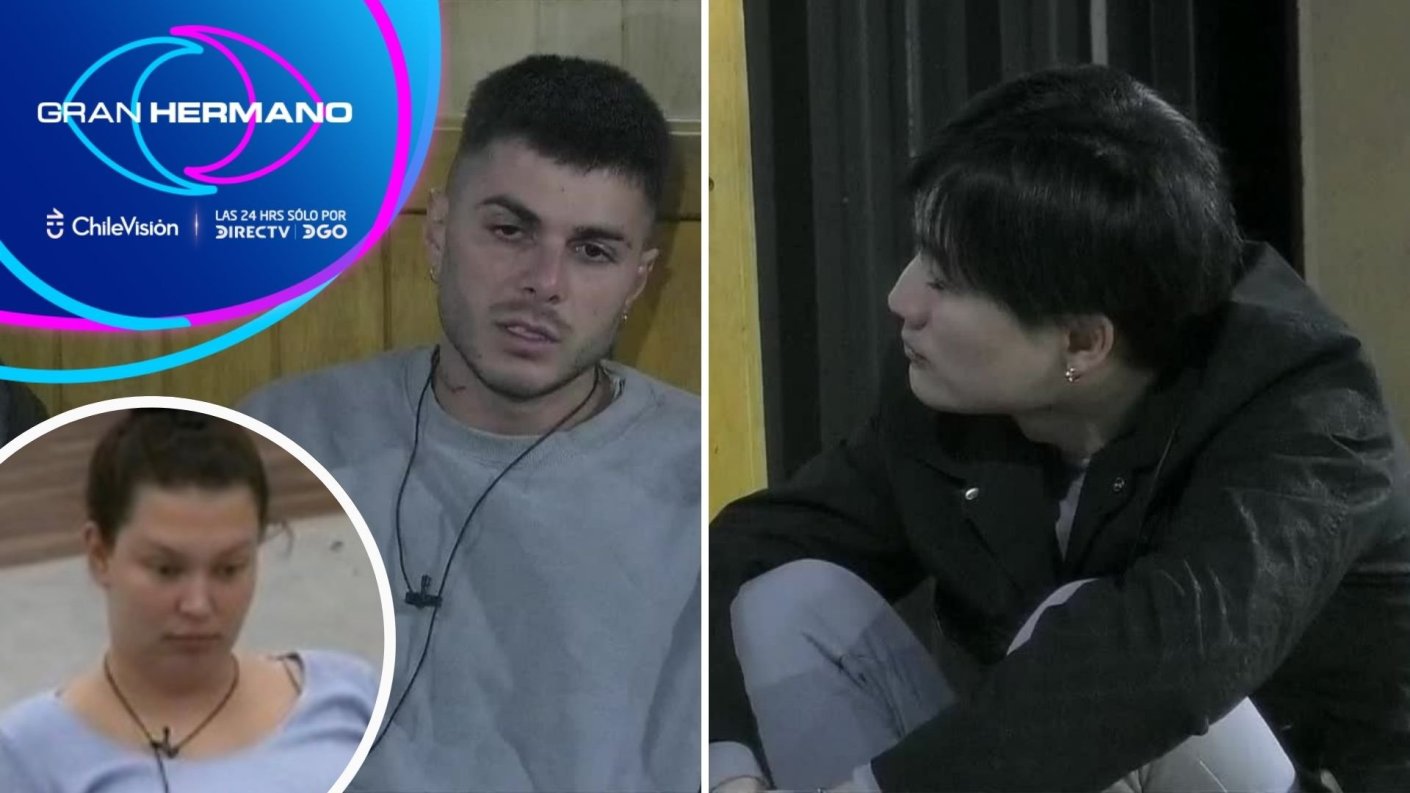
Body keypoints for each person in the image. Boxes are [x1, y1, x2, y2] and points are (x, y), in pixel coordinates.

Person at [710, 65, 1410, 793]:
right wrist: (726, 768)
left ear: (1082, 342)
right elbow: (745, 548)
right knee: (786, 604)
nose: (901, 299)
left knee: (1085, 627)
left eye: (945, 281)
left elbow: (1160, 669)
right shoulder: (951, 389)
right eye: (920, 254)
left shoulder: (1304, 403)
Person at [240, 54, 700, 792]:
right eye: (511, 230)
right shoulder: (283, 437)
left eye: (592, 251)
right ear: (438, 231)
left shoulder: (701, 483)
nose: (544, 284)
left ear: (636, 282)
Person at [0, 408, 377, 792]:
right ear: (100, 555)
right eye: (166, 570)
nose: (198, 605)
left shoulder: (350, 697)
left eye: (228, 569)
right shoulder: (26, 756)